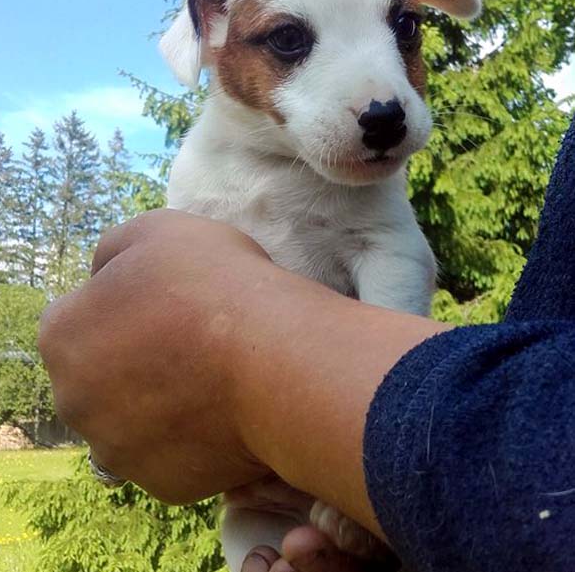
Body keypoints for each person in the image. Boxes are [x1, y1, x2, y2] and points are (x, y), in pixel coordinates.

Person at [39, 114, 575, 572]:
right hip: (361, 498)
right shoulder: (205, 164)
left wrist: (243, 356)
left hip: (446, 463)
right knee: (259, 536)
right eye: (289, 40)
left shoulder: (357, 171)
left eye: (406, 35)